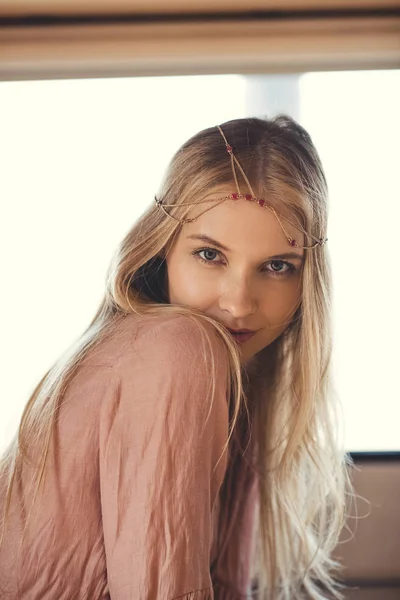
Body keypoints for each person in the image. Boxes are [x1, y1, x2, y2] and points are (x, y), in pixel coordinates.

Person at [0, 116, 351, 600]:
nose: (239, 302)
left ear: (306, 279)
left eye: (276, 266)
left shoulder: (243, 381)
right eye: (210, 256)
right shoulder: (180, 349)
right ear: (162, 248)